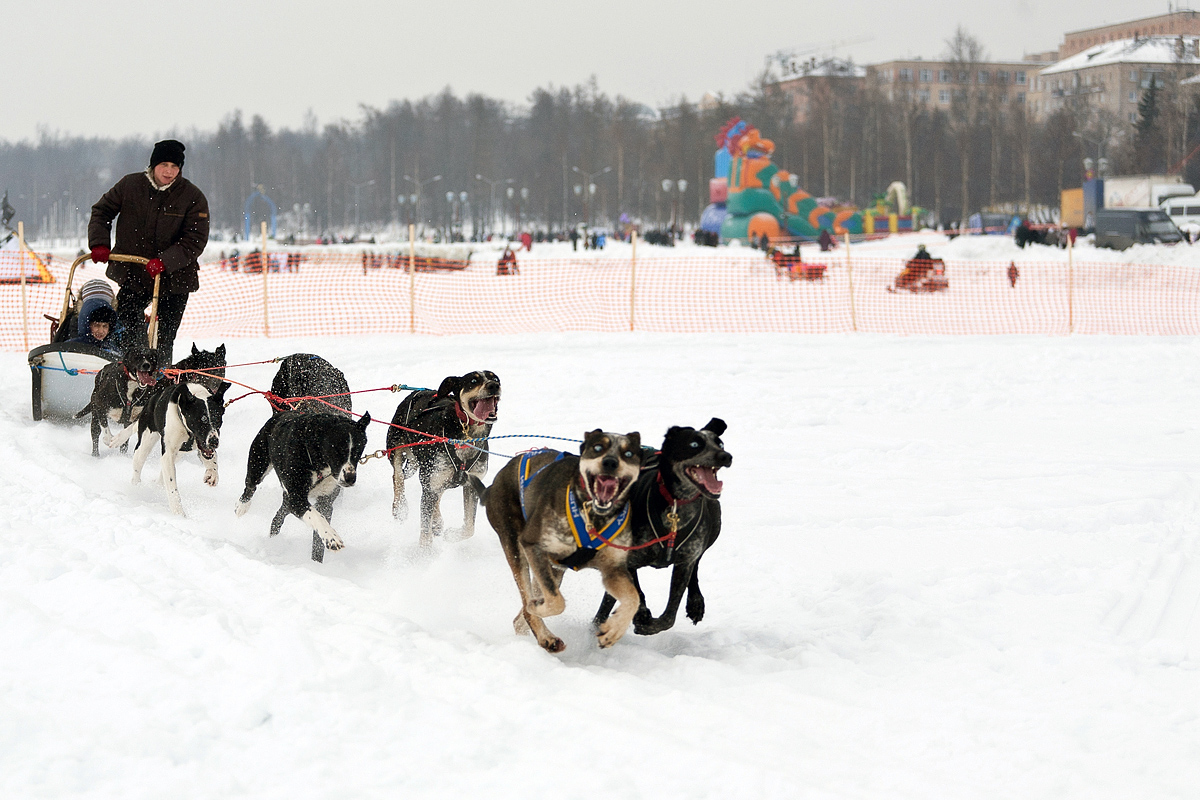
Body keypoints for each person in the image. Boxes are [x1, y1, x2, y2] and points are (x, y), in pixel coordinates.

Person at [88, 139, 210, 362]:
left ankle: (159, 381)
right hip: (134, 274)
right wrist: (99, 242)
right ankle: (133, 375)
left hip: (176, 278)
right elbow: (102, 211)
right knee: (127, 327)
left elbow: (195, 239)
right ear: (153, 165)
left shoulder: (192, 197)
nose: (169, 171)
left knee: (164, 338)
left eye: (175, 166)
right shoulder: (130, 185)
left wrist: (165, 261)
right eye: (164, 165)